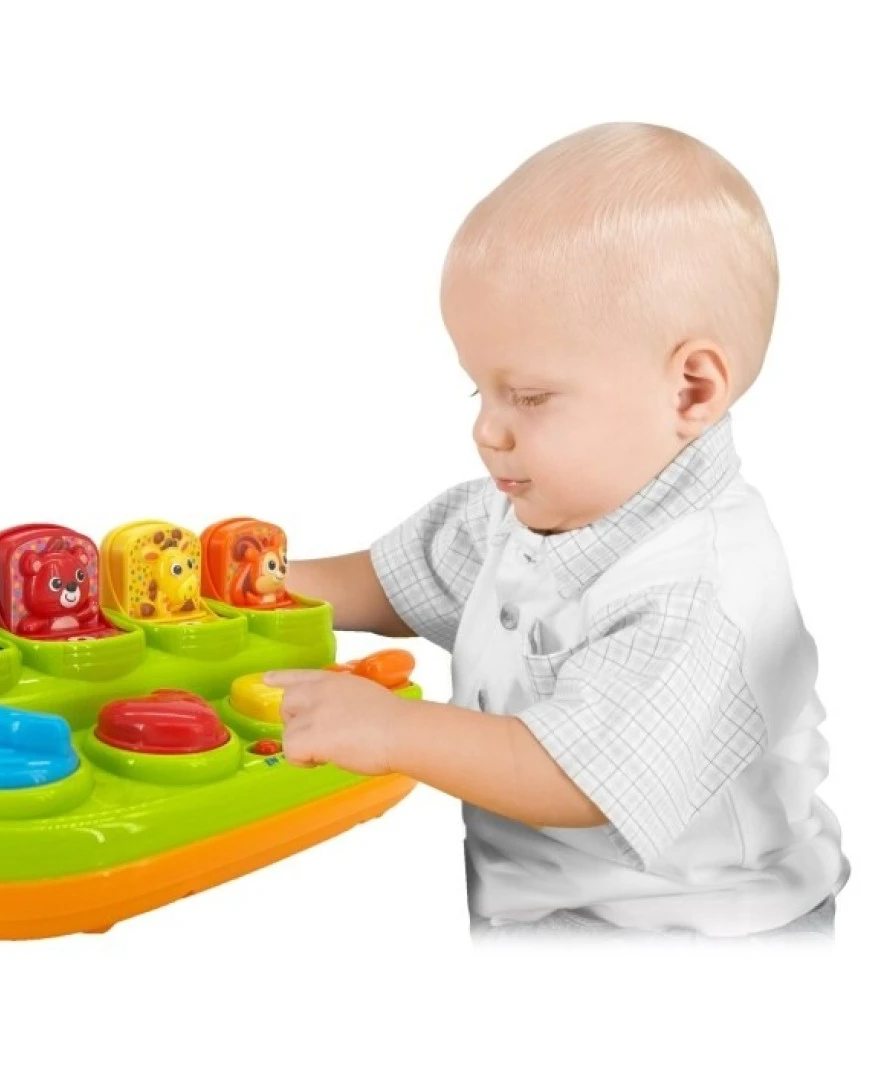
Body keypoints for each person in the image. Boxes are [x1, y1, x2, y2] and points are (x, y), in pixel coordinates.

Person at [264, 121, 849, 942]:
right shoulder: (537, 506)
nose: (487, 430)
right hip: (548, 913)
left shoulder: (700, 591)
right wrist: (256, 585)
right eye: (478, 391)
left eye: (530, 398)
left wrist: (392, 729)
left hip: (692, 937)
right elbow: (395, 581)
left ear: (690, 390)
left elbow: (577, 779)